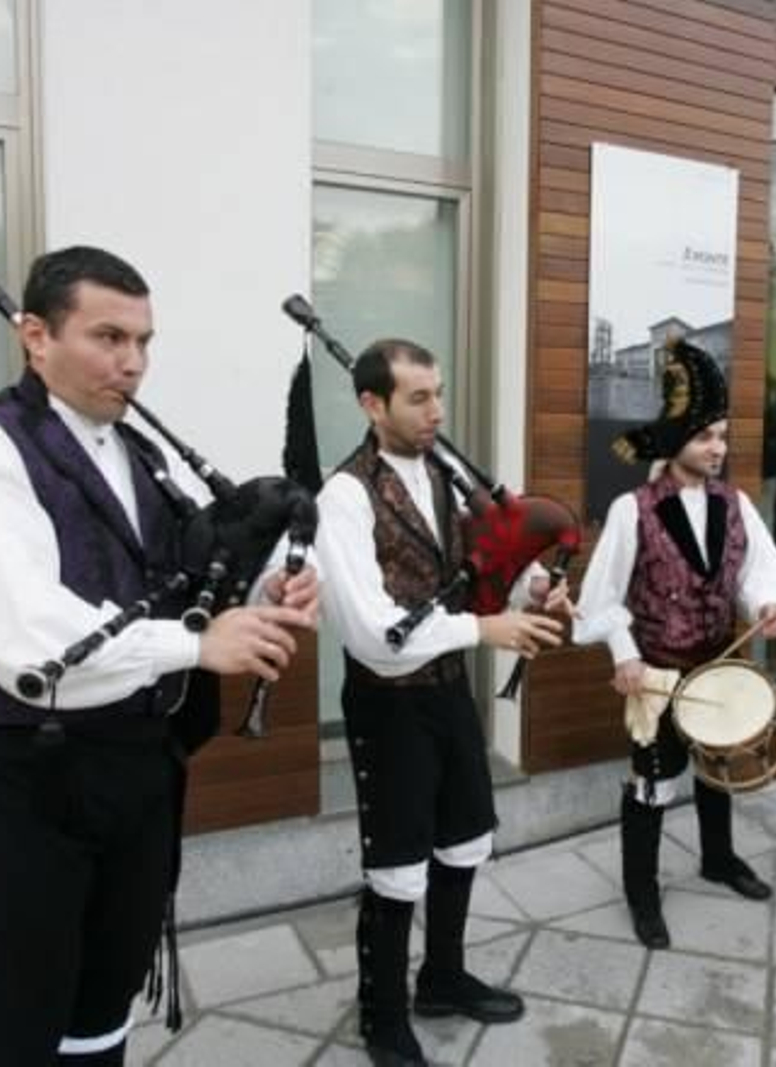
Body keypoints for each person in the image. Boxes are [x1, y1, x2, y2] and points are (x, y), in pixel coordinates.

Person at [0, 246, 318, 1066]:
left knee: (100, 1008)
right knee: (13, 1024)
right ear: (34, 335)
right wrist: (200, 644)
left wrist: (263, 594)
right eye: (108, 336)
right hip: (24, 786)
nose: (132, 363)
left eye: (144, 340)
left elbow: (175, 587)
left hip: (133, 776)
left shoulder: (140, 458)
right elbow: (27, 641)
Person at [315, 338, 566, 1067]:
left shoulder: (447, 475)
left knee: (463, 838)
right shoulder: (344, 495)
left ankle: (443, 976)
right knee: (396, 864)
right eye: (419, 398)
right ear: (372, 403)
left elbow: (484, 564)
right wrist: (485, 626)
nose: (438, 411)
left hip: (449, 690)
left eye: (440, 393)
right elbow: (370, 634)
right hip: (387, 704)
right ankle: (382, 1015)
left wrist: (532, 590)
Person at [572, 338, 776, 950]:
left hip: (718, 662)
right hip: (655, 671)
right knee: (652, 783)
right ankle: (642, 893)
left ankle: (718, 859)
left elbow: (758, 572)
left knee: (717, 768)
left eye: (723, 437)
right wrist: (623, 654)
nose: (718, 449)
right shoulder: (634, 509)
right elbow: (601, 597)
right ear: (677, 439)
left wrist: (764, 607)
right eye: (707, 437)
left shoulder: (736, 504)